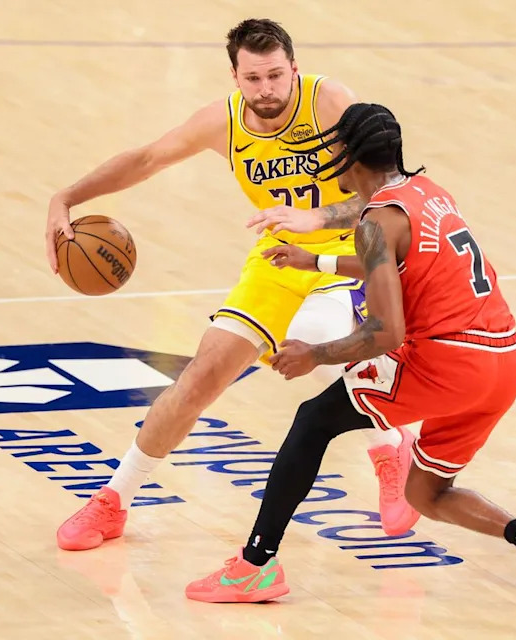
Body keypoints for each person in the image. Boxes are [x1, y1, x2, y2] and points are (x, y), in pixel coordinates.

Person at [185, 103, 516, 604]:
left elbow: (387, 332)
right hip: (502, 364)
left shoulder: (376, 222)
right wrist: (314, 260)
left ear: (348, 156)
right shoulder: (429, 192)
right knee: (426, 494)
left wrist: (314, 354)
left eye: (333, 148)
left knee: (313, 421)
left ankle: (255, 565)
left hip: (448, 361)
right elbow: (393, 265)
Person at [46, 20, 418, 552]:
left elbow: (391, 190)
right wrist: (66, 197)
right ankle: (114, 499)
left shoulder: (331, 102)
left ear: (294, 68)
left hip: (353, 252)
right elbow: (147, 159)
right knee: (201, 376)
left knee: (319, 338)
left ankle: (390, 444)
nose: (266, 89)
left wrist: (318, 217)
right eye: (253, 79)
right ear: (235, 77)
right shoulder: (221, 122)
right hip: (280, 258)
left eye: (275, 75)